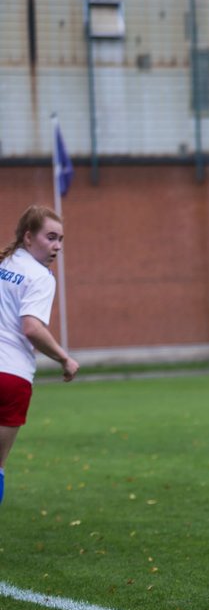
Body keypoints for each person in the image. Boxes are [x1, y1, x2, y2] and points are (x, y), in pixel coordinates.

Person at [0, 205, 79, 507]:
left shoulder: (4, 262)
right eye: (50, 237)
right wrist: (64, 358)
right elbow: (31, 328)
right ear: (28, 237)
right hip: (10, 377)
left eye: (60, 239)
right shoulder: (40, 277)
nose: (57, 246)